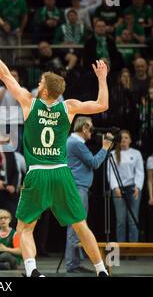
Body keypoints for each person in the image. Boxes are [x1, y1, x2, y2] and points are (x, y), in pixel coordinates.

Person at [0, 25, 110, 277]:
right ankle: (102, 270)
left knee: (25, 228)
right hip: (61, 173)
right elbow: (103, 104)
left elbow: (4, 75)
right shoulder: (69, 108)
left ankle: (33, 271)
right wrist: (102, 78)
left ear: (45, 90)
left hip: (37, 173)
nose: (36, 84)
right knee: (81, 225)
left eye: (39, 82)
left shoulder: (29, 102)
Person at [65, 116, 113, 273]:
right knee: (77, 226)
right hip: (78, 188)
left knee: (77, 225)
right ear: (84, 128)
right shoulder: (76, 143)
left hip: (78, 187)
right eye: (91, 129)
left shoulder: (72, 142)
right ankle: (73, 264)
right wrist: (105, 147)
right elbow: (94, 162)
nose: (92, 133)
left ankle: (74, 262)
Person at [107, 130, 144, 242]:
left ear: (130, 140)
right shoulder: (112, 154)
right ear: (118, 140)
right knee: (121, 220)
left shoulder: (136, 153)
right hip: (118, 189)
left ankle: (133, 250)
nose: (124, 140)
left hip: (133, 189)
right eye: (122, 138)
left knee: (133, 219)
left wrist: (138, 187)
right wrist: (115, 187)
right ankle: (121, 249)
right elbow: (111, 172)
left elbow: (140, 172)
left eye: (126, 137)